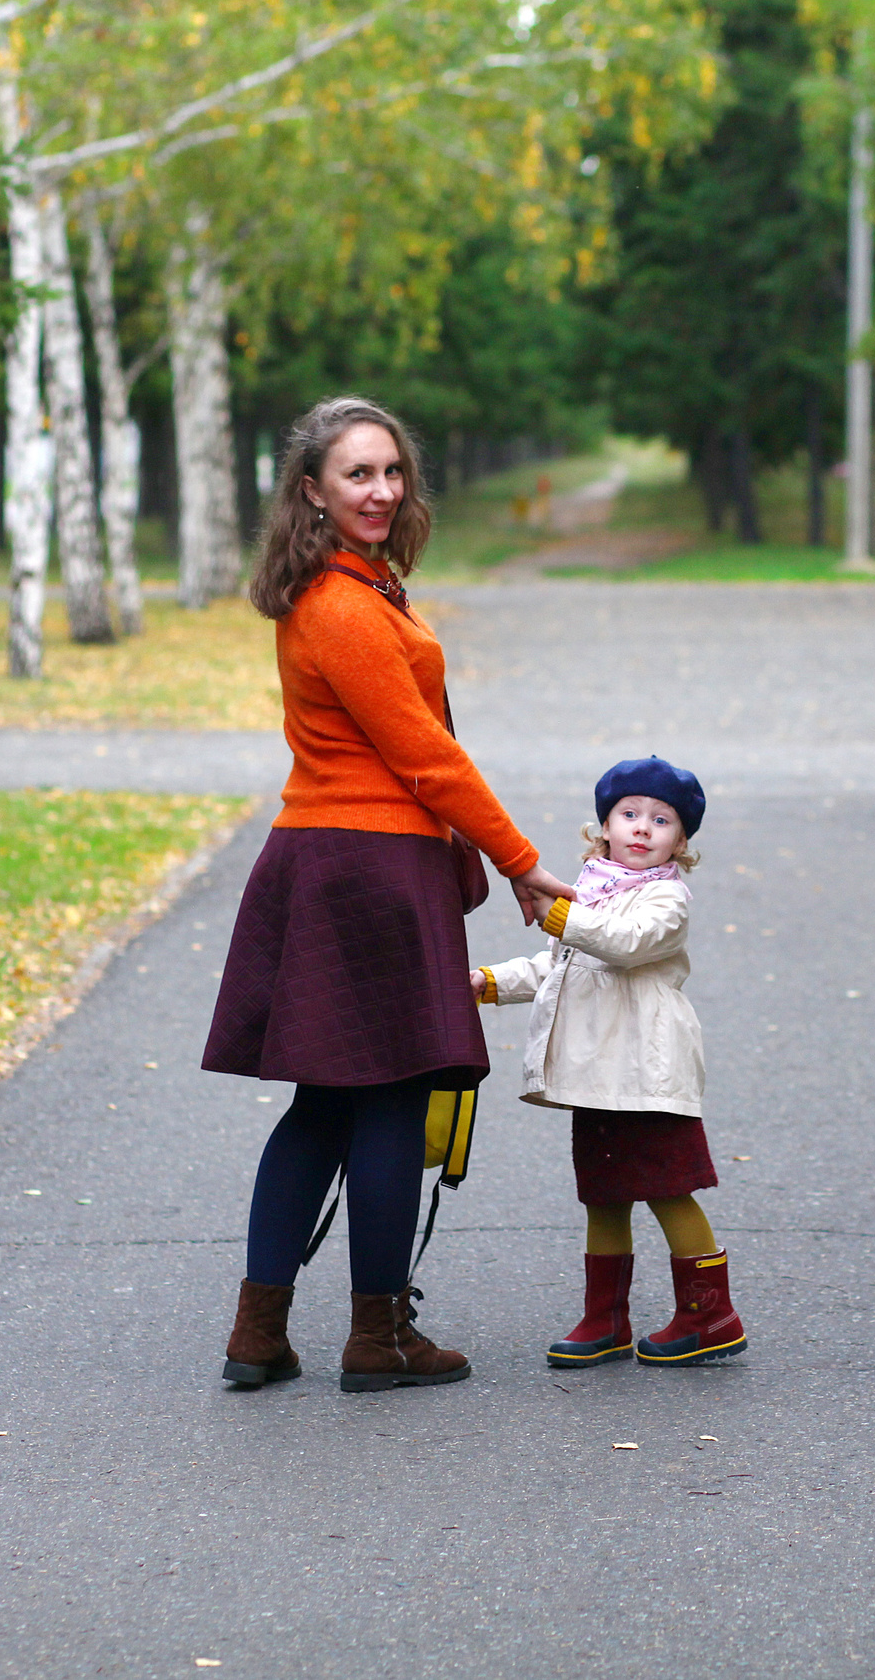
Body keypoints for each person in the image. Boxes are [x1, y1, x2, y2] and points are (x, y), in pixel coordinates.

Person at [203, 395, 574, 1395]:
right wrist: (519, 859)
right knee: (390, 1101)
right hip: (364, 868)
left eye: (390, 471)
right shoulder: (341, 607)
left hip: (336, 862)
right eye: (356, 474)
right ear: (312, 492)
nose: (379, 489)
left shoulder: (361, 591)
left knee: (323, 1105)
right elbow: (426, 759)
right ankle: (375, 1338)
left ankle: (259, 1334)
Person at [475, 759, 746, 1368]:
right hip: (599, 1076)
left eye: (662, 820)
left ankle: (711, 1317)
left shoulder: (667, 899)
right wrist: (487, 982)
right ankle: (606, 1318)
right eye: (629, 814)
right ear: (603, 826)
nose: (643, 828)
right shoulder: (591, 892)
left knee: (669, 1189)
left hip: (647, 1075)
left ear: (682, 841)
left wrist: (555, 910)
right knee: (603, 1194)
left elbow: (621, 946)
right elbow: (559, 966)